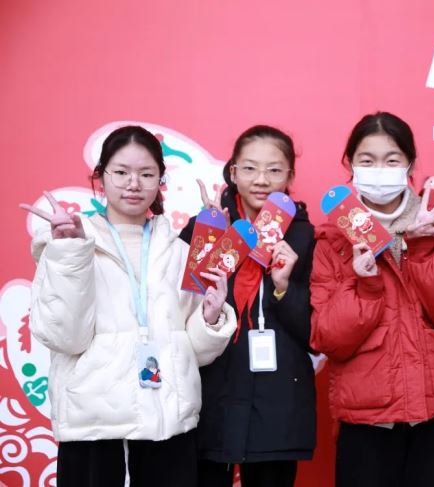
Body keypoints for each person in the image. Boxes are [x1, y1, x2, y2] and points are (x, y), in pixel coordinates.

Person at [22, 125, 236, 487]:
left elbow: (195, 353)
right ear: (101, 176)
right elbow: (66, 337)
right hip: (94, 428)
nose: (133, 184)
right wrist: (71, 254)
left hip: (168, 426)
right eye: (121, 172)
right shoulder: (70, 244)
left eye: (146, 174)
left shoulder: (181, 252)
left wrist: (209, 317)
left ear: (160, 181)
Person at [310, 111, 434, 487]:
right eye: (367, 160)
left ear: (409, 164)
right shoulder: (333, 237)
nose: (379, 170)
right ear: (350, 165)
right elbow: (329, 338)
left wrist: (425, 246)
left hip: (431, 407)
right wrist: (364, 286)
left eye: (391, 159)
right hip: (366, 414)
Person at [179, 125, 316, 487]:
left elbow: (315, 332)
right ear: (233, 172)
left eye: (274, 170)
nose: (262, 180)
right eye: (250, 168)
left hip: (279, 397)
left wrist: (284, 287)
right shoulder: (204, 227)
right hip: (212, 391)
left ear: (290, 176)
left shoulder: (304, 236)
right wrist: (209, 239)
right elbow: (178, 311)